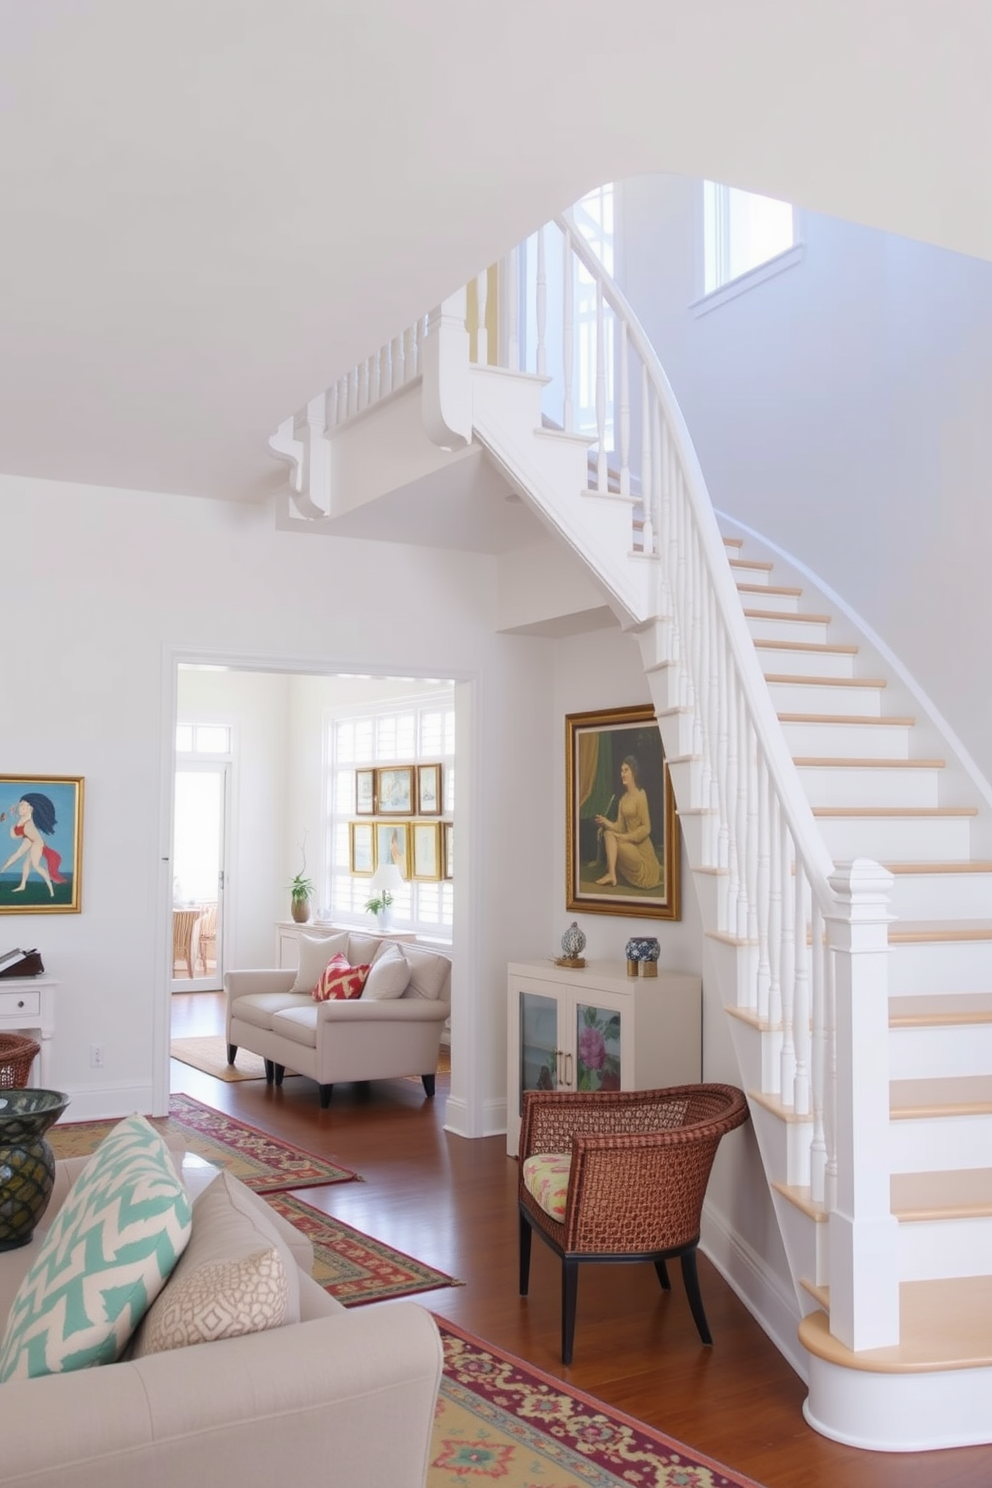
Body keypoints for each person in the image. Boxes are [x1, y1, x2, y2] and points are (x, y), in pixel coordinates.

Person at [593, 755, 662, 890]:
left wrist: (625, 837)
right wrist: (605, 821)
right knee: (608, 834)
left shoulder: (641, 795)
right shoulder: (623, 800)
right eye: (621, 771)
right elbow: (620, 827)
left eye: (626, 770)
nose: (623, 774)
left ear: (633, 773)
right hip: (627, 846)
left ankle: (612, 874)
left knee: (612, 838)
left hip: (641, 853)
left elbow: (646, 828)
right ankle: (612, 874)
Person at [1, 793, 65, 896]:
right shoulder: (22, 820)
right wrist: (10, 819)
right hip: (29, 839)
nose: (19, 807)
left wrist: (12, 829)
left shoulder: (29, 824)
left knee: (35, 865)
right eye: (20, 805)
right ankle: (22, 885)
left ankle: (51, 888)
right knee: (25, 863)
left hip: (36, 843)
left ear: (30, 808)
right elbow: (18, 837)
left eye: (22, 805)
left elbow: (18, 836)